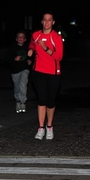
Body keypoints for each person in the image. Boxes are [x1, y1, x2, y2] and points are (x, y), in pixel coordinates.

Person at [27, 11, 63, 140]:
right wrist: (31, 49)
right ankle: (41, 127)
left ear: (53, 22)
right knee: (41, 99)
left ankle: (49, 126)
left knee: (50, 101)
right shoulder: (36, 35)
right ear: (42, 22)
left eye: (49, 20)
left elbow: (59, 57)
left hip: (53, 73)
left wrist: (46, 48)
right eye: (45, 20)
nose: (47, 22)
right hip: (38, 72)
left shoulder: (56, 38)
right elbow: (32, 43)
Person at [7, 30, 32, 113]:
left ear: (25, 39)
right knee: (17, 86)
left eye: (22, 37)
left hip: (25, 69)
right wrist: (14, 59)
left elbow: (32, 56)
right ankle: (18, 101)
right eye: (19, 37)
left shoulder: (27, 47)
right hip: (15, 70)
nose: (20, 38)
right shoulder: (12, 48)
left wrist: (30, 61)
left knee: (23, 84)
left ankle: (23, 102)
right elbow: (7, 59)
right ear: (16, 39)